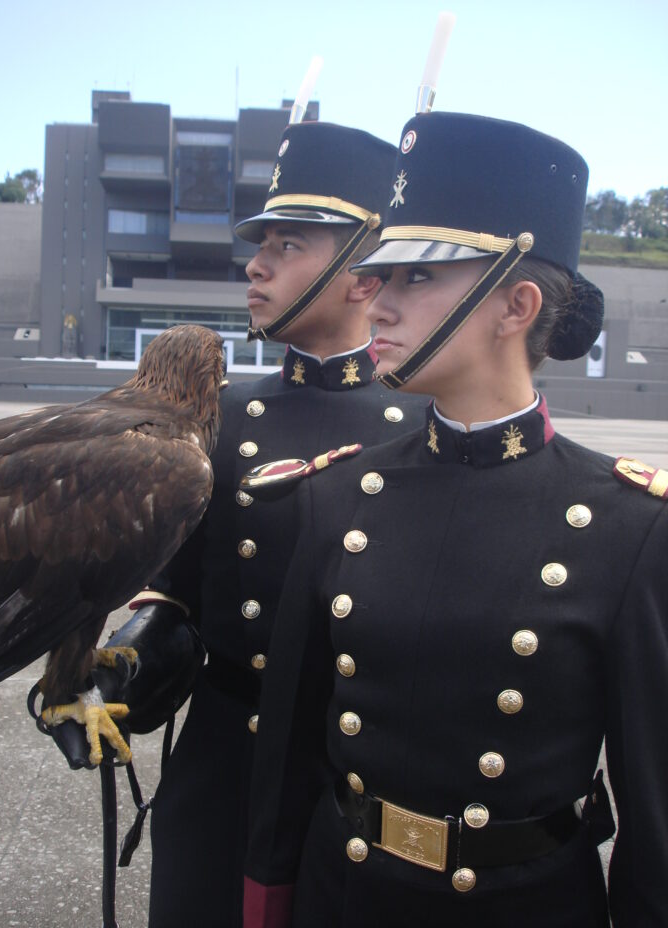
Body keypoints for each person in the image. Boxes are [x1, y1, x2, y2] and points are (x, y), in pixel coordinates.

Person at [242, 112, 668, 928]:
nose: (378, 305)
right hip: (348, 897)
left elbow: (655, 807)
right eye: (378, 278)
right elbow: (288, 764)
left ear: (516, 304)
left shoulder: (628, 525)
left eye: (415, 279)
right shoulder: (336, 497)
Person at [142, 119, 428, 927]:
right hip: (225, 757)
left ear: (363, 276)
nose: (256, 265)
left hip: (356, 771)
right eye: (260, 241)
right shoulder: (216, 413)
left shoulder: (420, 431)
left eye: (289, 244)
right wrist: (132, 661)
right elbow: (176, 590)